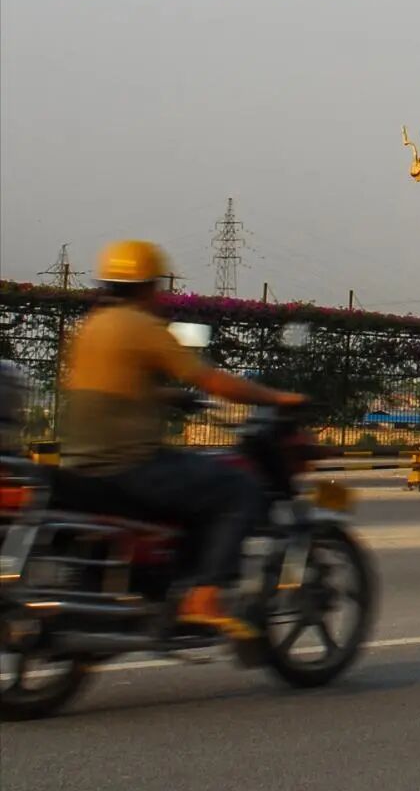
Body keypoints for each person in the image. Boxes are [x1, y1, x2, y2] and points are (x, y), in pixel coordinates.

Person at [60, 239, 304, 638]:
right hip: (130, 465)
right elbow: (211, 379)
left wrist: (172, 397)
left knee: (195, 484)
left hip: (81, 465)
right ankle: (203, 596)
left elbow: (121, 387)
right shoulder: (143, 326)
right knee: (238, 488)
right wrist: (277, 397)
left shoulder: (89, 327)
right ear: (149, 286)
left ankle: (167, 586)